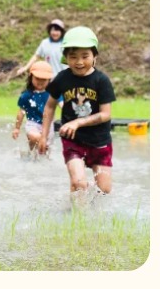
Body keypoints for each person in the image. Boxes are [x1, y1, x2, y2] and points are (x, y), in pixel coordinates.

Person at [38, 26, 116, 200]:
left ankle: (90, 215)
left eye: (85, 56)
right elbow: (50, 106)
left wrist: (78, 122)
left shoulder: (101, 81)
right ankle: (76, 218)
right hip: (73, 140)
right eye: (73, 57)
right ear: (65, 58)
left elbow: (105, 114)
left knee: (104, 189)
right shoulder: (62, 78)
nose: (79, 62)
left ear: (94, 56)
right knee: (79, 182)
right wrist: (44, 135)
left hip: (99, 140)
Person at [12, 60, 54, 158]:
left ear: (49, 80)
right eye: (37, 78)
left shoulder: (52, 94)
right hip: (32, 123)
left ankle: (31, 157)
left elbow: (62, 104)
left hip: (48, 125)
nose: (40, 81)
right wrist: (17, 128)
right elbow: (21, 112)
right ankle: (32, 156)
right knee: (35, 138)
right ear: (31, 77)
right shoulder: (26, 95)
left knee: (44, 152)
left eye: (43, 79)